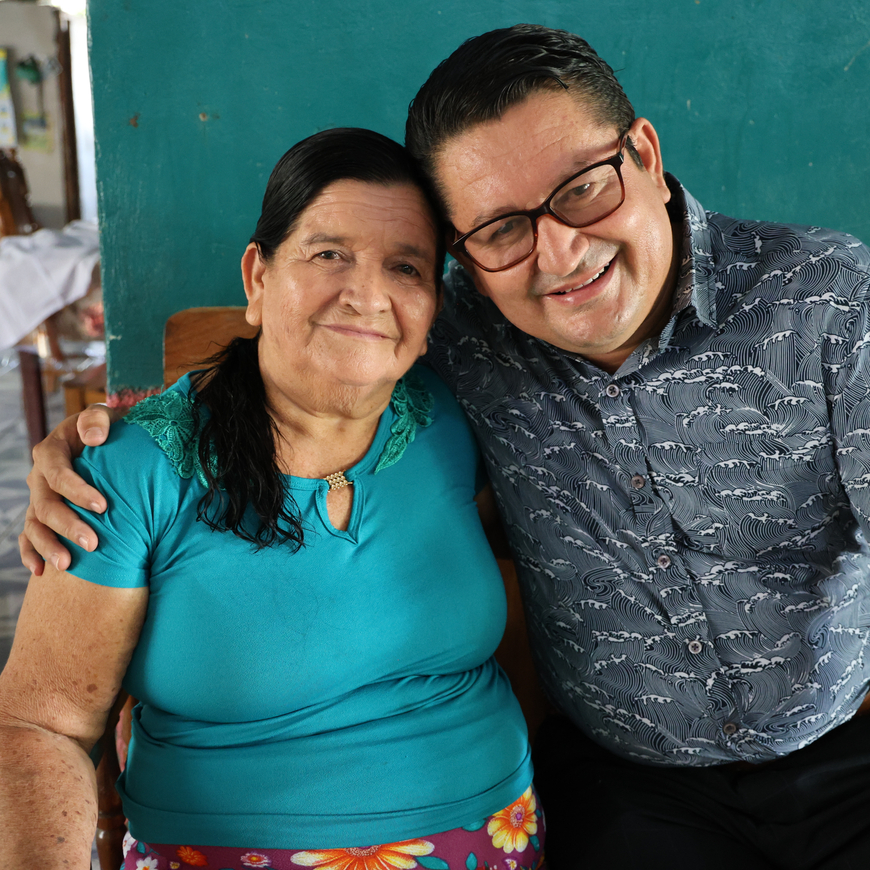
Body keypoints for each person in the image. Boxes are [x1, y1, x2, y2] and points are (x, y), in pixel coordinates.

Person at [18, 22, 870, 869]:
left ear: (643, 154)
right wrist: (99, 442)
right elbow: (298, 378)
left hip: (838, 753)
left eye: (583, 188)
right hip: (629, 789)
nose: (559, 251)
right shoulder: (452, 338)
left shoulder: (825, 306)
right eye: (499, 228)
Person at [0, 127, 546, 870]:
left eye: (406, 266)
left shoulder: (451, 420)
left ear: (431, 310)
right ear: (257, 277)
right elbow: (42, 725)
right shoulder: (134, 469)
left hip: (493, 840)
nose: (367, 294)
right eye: (329, 255)